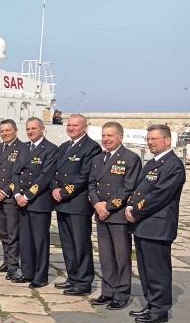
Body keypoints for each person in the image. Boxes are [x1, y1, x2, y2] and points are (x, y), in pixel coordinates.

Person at [125, 125, 186, 323]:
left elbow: (159, 195)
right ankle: (151, 305)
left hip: (157, 226)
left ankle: (160, 311)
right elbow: (140, 189)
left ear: (167, 140)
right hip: (144, 225)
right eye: (149, 139)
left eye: (155, 139)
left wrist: (135, 210)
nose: (150, 142)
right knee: (145, 270)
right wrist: (130, 204)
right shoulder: (153, 163)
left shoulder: (173, 165)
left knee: (157, 271)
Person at [88, 122, 141, 310]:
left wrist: (108, 207)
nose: (106, 139)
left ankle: (121, 293)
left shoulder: (131, 158)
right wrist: (96, 203)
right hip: (101, 215)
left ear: (120, 137)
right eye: (104, 135)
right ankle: (108, 291)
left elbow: (128, 187)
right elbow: (91, 184)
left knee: (121, 257)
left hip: (117, 215)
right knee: (105, 256)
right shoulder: (97, 159)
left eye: (110, 135)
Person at [51, 114, 102, 296]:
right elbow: (54, 172)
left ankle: (84, 281)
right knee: (67, 244)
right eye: (69, 125)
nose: (71, 128)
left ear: (84, 127)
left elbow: (84, 175)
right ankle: (72, 277)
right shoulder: (64, 147)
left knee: (81, 245)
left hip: (78, 204)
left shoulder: (91, 147)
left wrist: (63, 192)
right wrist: (55, 189)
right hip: (62, 204)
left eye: (75, 125)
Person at [9, 117, 58, 289]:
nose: (30, 132)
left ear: (42, 129)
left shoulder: (51, 149)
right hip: (21, 200)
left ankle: (41, 276)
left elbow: (45, 176)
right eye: (28, 129)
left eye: (34, 129)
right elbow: (15, 172)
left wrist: (28, 196)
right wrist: (16, 194)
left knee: (40, 241)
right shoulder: (23, 147)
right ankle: (27, 271)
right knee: (26, 240)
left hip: (38, 201)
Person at [0, 119, 23, 280]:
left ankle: (13, 266)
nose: (5, 133)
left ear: (15, 131)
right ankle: (6, 260)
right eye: (2, 131)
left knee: (13, 232)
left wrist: (5, 190)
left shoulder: (22, 148)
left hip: (11, 197)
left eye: (8, 130)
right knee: (2, 231)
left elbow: (20, 174)